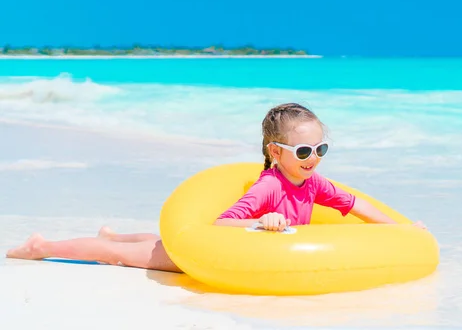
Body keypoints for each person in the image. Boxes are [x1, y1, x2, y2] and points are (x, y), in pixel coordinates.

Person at [6, 102, 426, 273]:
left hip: (244, 252)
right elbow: (223, 224)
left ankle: (112, 231)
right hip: (202, 253)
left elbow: (357, 207)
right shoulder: (267, 188)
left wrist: (400, 229)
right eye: (302, 150)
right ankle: (42, 246)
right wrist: (263, 223)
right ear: (275, 152)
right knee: (120, 257)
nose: (313, 157)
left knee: (144, 242)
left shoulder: (314, 183)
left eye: (320, 147)